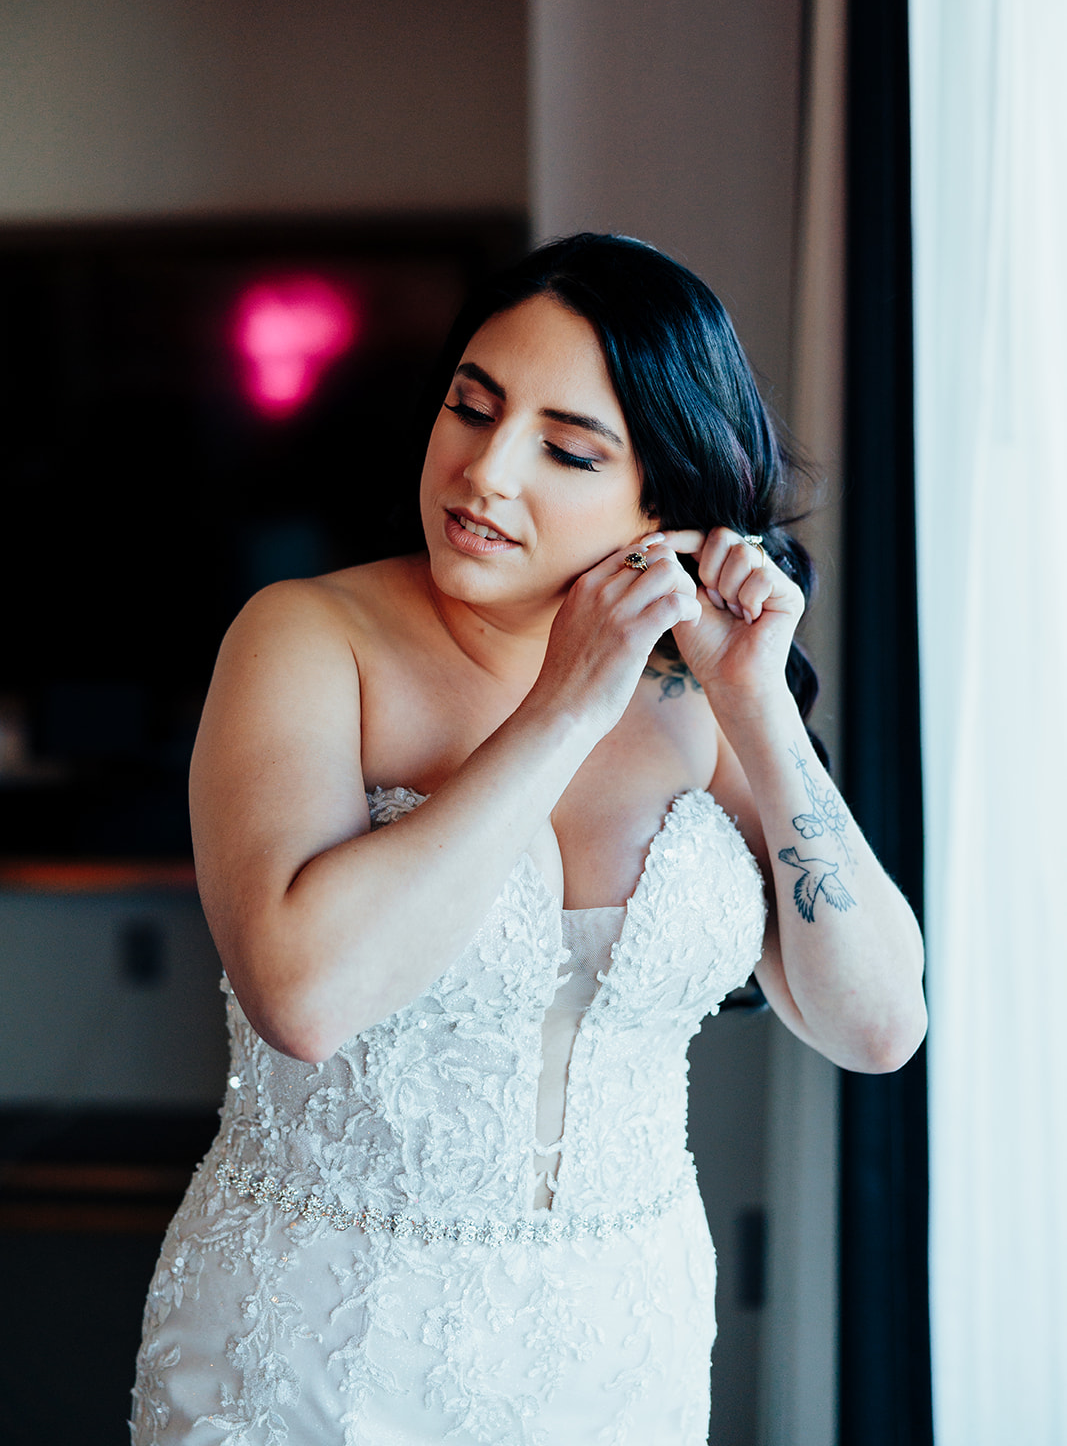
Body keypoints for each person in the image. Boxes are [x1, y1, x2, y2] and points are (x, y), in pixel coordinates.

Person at [130, 233, 926, 1445]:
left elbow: (876, 1026)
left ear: (664, 498)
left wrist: (756, 705)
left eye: (564, 448)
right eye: (469, 407)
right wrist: (563, 707)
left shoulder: (704, 701)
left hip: (619, 1342)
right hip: (323, 1347)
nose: (484, 472)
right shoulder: (303, 639)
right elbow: (305, 993)